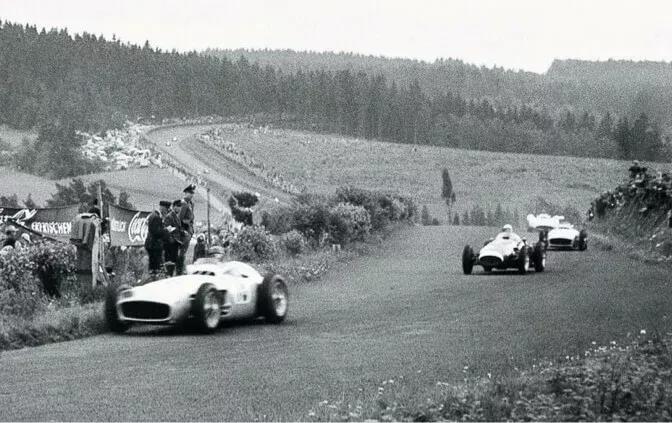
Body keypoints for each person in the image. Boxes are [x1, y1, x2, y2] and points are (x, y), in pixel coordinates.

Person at [144, 201, 171, 277]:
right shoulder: (156, 217)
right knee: (155, 267)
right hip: (154, 245)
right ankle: (155, 278)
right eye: (167, 209)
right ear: (163, 208)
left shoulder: (154, 215)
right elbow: (156, 232)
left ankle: (153, 276)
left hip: (151, 244)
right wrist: (166, 230)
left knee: (153, 266)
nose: (167, 212)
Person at [177, 184, 196, 275]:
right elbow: (179, 219)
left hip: (189, 230)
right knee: (181, 252)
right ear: (185, 193)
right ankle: (180, 270)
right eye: (189, 193)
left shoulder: (191, 204)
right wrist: (182, 230)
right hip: (184, 230)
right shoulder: (183, 204)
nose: (191, 195)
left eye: (192, 193)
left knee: (184, 252)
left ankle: (182, 269)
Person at [162, 199, 182, 276]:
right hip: (170, 244)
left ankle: (171, 275)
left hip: (175, 243)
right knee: (169, 263)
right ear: (173, 207)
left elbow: (178, 229)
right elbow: (167, 229)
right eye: (177, 206)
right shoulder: (169, 216)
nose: (179, 209)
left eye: (180, 207)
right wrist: (173, 239)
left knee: (174, 262)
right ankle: (168, 276)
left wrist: (182, 232)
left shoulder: (176, 217)